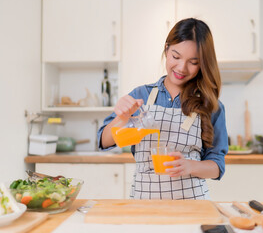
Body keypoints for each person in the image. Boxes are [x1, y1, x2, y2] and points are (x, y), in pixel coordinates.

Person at [97, 18, 228, 200]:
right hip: (145, 204)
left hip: (193, 205)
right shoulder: (140, 95)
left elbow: (217, 166)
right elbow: (104, 141)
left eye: (193, 62)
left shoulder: (212, 106)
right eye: (176, 56)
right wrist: (122, 117)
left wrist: (190, 166)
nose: (182, 68)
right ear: (167, 49)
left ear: (203, 63)